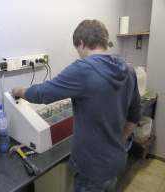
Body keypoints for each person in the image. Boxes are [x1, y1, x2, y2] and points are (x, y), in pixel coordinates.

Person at [12, 19, 142, 192]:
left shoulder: (83, 68)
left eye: (78, 50)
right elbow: (135, 114)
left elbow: (42, 93)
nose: (79, 55)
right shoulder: (128, 69)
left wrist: (20, 91)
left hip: (91, 168)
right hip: (115, 161)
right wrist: (119, 139)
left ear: (82, 43)